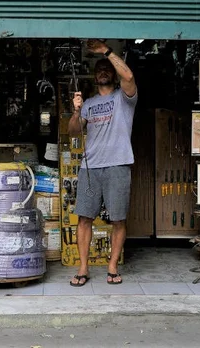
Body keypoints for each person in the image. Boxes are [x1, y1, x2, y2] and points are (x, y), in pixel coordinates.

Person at [68, 39, 137, 286]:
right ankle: (83, 267)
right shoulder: (88, 104)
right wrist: (76, 112)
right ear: (95, 78)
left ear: (112, 75)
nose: (103, 72)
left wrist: (106, 52)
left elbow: (128, 75)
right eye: (99, 70)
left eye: (106, 68)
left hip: (118, 165)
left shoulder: (124, 98)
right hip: (90, 167)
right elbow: (74, 132)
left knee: (118, 219)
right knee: (84, 218)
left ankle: (112, 266)